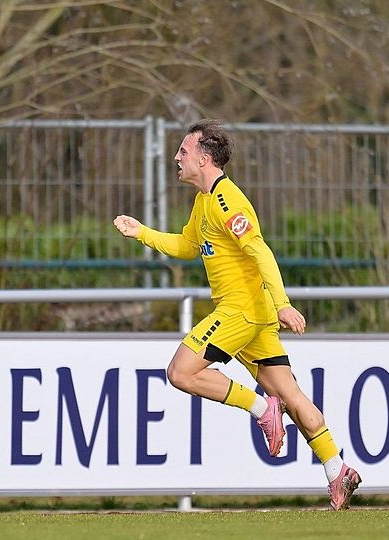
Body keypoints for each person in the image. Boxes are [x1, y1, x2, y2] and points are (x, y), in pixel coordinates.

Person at [114, 119, 361, 510]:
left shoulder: (228, 201)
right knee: (291, 395)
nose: (177, 158)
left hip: (241, 311)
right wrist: (141, 232)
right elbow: (186, 245)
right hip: (251, 316)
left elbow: (260, 250)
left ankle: (262, 409)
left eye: (183, 151)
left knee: (181, 372)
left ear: (204, 157)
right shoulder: (204, 201)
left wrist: (282, 302)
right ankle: (338, 469)